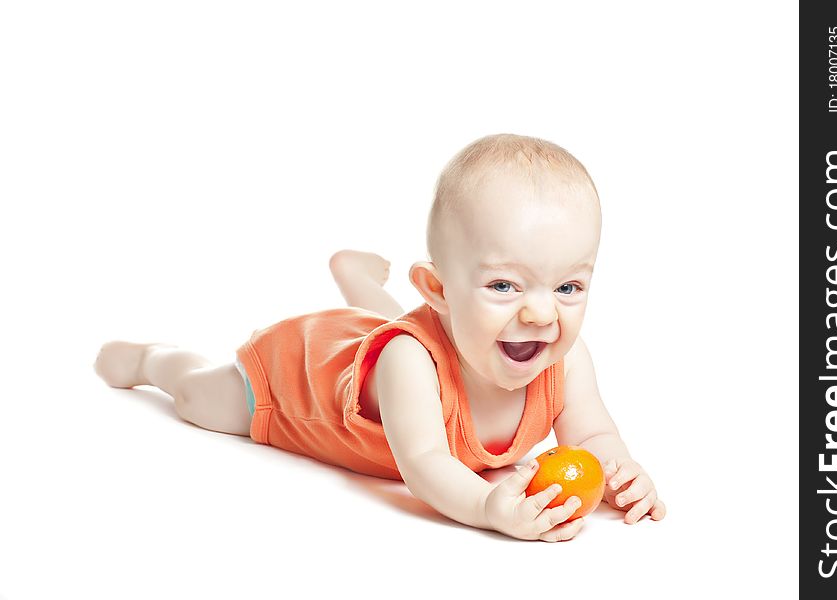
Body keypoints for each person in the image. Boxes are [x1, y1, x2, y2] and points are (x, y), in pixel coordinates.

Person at [94, 133, 666, 542]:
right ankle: (157, 360)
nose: (542, 313)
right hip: (297, 382)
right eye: (503, 285)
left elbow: (592, 433)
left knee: (429, 334)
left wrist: (623, 474)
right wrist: (486, 508)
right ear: (436, 288)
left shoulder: (565, 362)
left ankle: (358, 279)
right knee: (200, 400)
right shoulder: (407, 363)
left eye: (568, 286)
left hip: (415, 339)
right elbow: (422, 463)